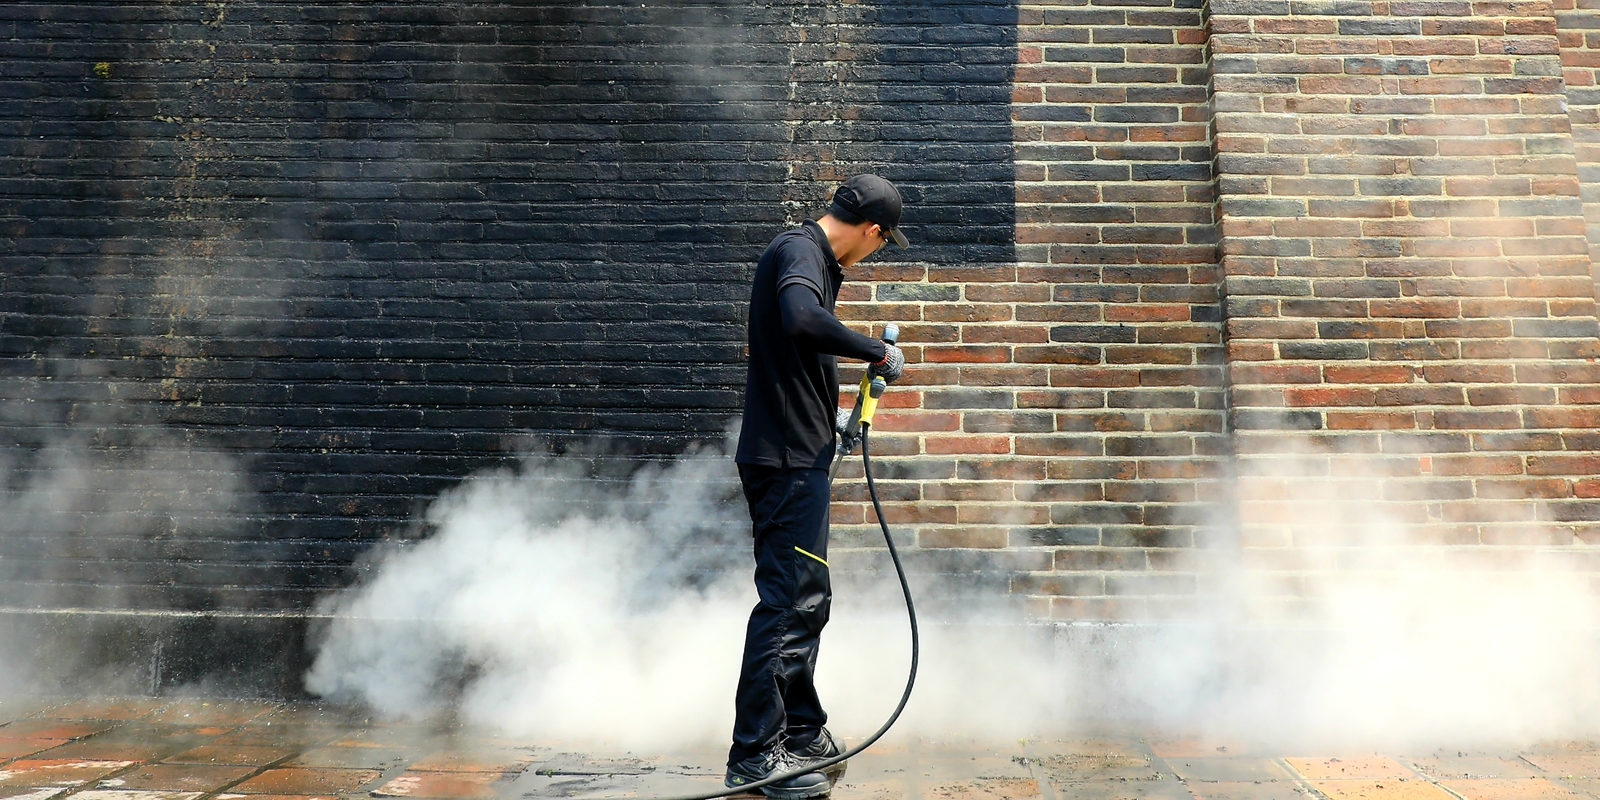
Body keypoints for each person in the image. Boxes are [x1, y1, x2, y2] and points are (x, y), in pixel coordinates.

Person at [725, 175, 909, 800]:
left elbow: (797, 345)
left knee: (808, 599)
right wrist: (874, 351)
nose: (874, 252)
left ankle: (800, 733)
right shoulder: (800, 251)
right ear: (873, 231)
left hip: (798, 454)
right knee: (787, 602)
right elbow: (802, 321)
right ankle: (754, 757)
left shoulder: (815, 263)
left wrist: (829, 417)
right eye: (881, 244)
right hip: (785, 461)